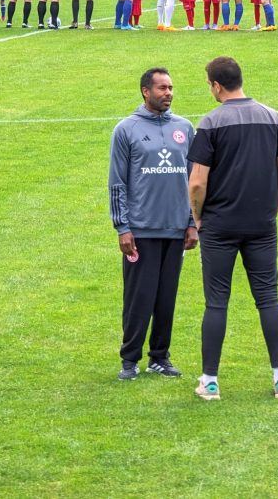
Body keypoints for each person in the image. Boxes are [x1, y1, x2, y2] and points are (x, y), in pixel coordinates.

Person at [187, 56, 278, 401]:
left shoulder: (210, 122)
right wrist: (270, 211)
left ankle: (210, 381)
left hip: (219, 225)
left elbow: (197, 183)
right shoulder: (272, 117)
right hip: (261, 224)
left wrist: (198, 217)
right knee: (268, 298)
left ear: (216, 85)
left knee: (216, 302)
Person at [109, 67, 197, 381]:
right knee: (138, 298)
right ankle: (129, 360)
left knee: (165, 297)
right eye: (162, 88)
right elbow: (117, 183)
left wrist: (192, 223)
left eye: (171, 87)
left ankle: (160, 357)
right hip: (141, 231)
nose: (168, 93)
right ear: (146, 91)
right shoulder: (126, 130)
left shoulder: (184, 128)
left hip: (175, 229)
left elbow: (194, 179)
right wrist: (123, 227)